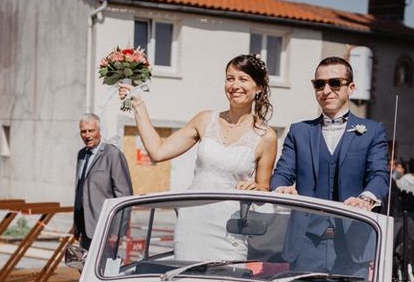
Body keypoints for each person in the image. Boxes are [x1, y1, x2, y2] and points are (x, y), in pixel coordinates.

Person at [118, 53, 278, 260]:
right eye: (230, 78)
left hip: (230, 228)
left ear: (258, 88)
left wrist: (255, 188)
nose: (234, 85)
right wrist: (138, 104)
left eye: (243, 79)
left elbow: (264, 189)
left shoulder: (267, 137)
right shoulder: (205, 120)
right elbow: (158, 151)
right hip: (192, 222)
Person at [269, 56, 388, 274]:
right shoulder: (299, 131)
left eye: (335, 83)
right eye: (319, 84)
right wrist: (281, 189)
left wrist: (365, 198)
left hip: (353, 244)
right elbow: (281, 174)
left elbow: (379, 175)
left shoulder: (373, 131)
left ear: (350, 88)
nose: (326, 90)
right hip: (305, 243)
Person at [74, 113, 133, 250]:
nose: (87, 135)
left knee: (104, 270)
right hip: (84, 230)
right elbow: (80, 191)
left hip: (105, 230)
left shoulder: (112, 155)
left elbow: (124, 196)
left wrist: (117, 231)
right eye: (83, 131)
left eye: (91, 131)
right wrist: (76, 225)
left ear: (99, 131)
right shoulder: (81, 155)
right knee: (83, 268)